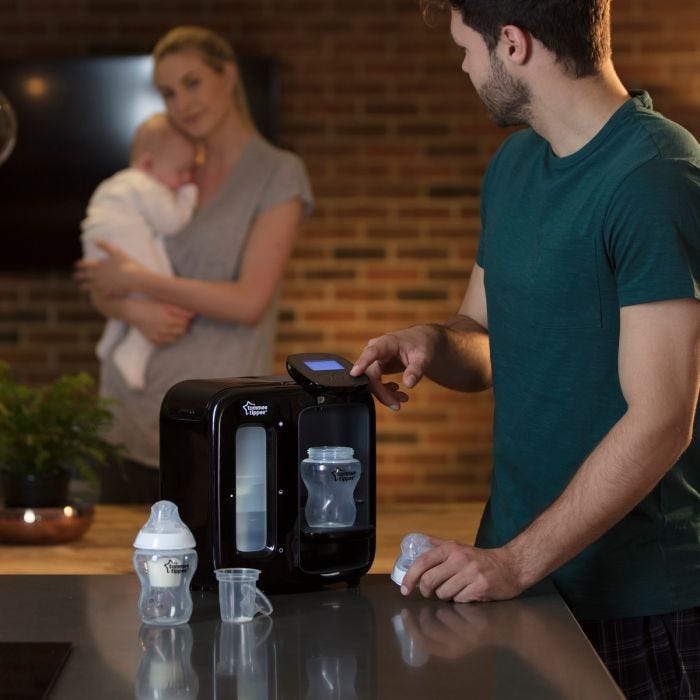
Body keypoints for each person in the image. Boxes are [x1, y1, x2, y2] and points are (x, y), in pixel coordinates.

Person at [350, 1, 700, 697]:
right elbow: (481, 340)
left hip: (636, 596)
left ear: (512, 44)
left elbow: (663, 416)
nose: (463, 65)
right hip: (519, 573)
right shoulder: (514, 166)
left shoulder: (655, 176)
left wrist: (514, 562)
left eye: (466, 48)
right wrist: (430, 343)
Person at [74, 26, 313, 504]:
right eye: (167, 91)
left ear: (227, 76)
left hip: (212, 423)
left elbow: (248, 303)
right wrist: (130, 308)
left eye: (192, 82)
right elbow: (102, 276)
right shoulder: (166, 165)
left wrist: (140, 282)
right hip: (128, 417)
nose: (181, 101)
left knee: (213, 573)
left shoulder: (277, 173)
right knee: (113, 576)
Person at [81, 112, 198, 391]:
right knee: (168, 300)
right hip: (124, 243)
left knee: (134, 302)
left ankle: (109, 343)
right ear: (148, 163)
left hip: (99, 248)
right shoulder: (144, 184)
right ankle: (130, 353)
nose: (186, 178)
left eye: (190, 172)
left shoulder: (117, 182)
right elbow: (171, 222)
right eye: (180, 171)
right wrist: (188, 196)